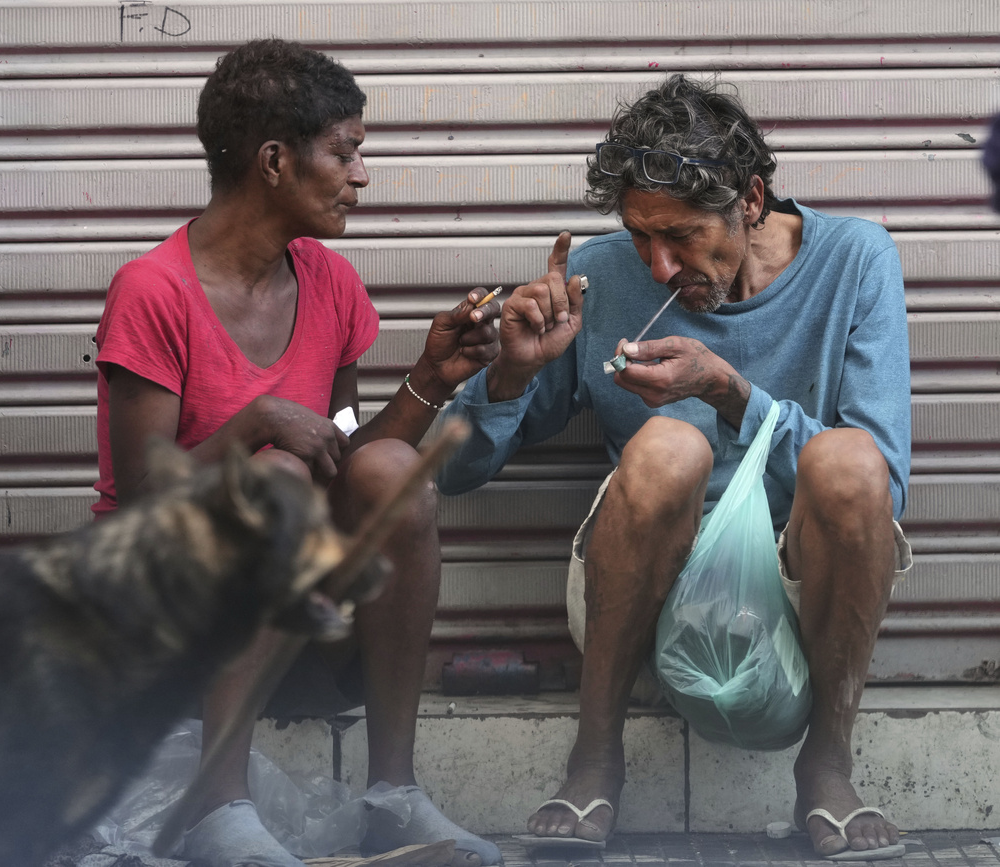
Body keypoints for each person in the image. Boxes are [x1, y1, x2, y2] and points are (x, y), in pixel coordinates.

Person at [436, 74, 912, 861]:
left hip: (799, 603)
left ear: (751, 200)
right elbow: (454, 477)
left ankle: (828, 765)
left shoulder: (856, 259)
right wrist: (510, 376)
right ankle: (594, 757)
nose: (658, 268)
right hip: (648, 593)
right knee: (669, 444)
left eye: (683, 236)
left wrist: (728, 390)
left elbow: (882, 484)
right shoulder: (601, 276)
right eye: (638, 236)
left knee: (849, 460)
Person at [94, 39, 504, 867]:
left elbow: (346, 458)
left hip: (286, 612)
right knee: (273, 475)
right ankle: (217, 808)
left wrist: (431, 377)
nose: (361, 177)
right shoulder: (153, 291)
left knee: (392, 477)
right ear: (275, 161)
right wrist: (254, 426)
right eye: (346, 152)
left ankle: (393, 794)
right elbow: (141, 501)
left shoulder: (331, 284)